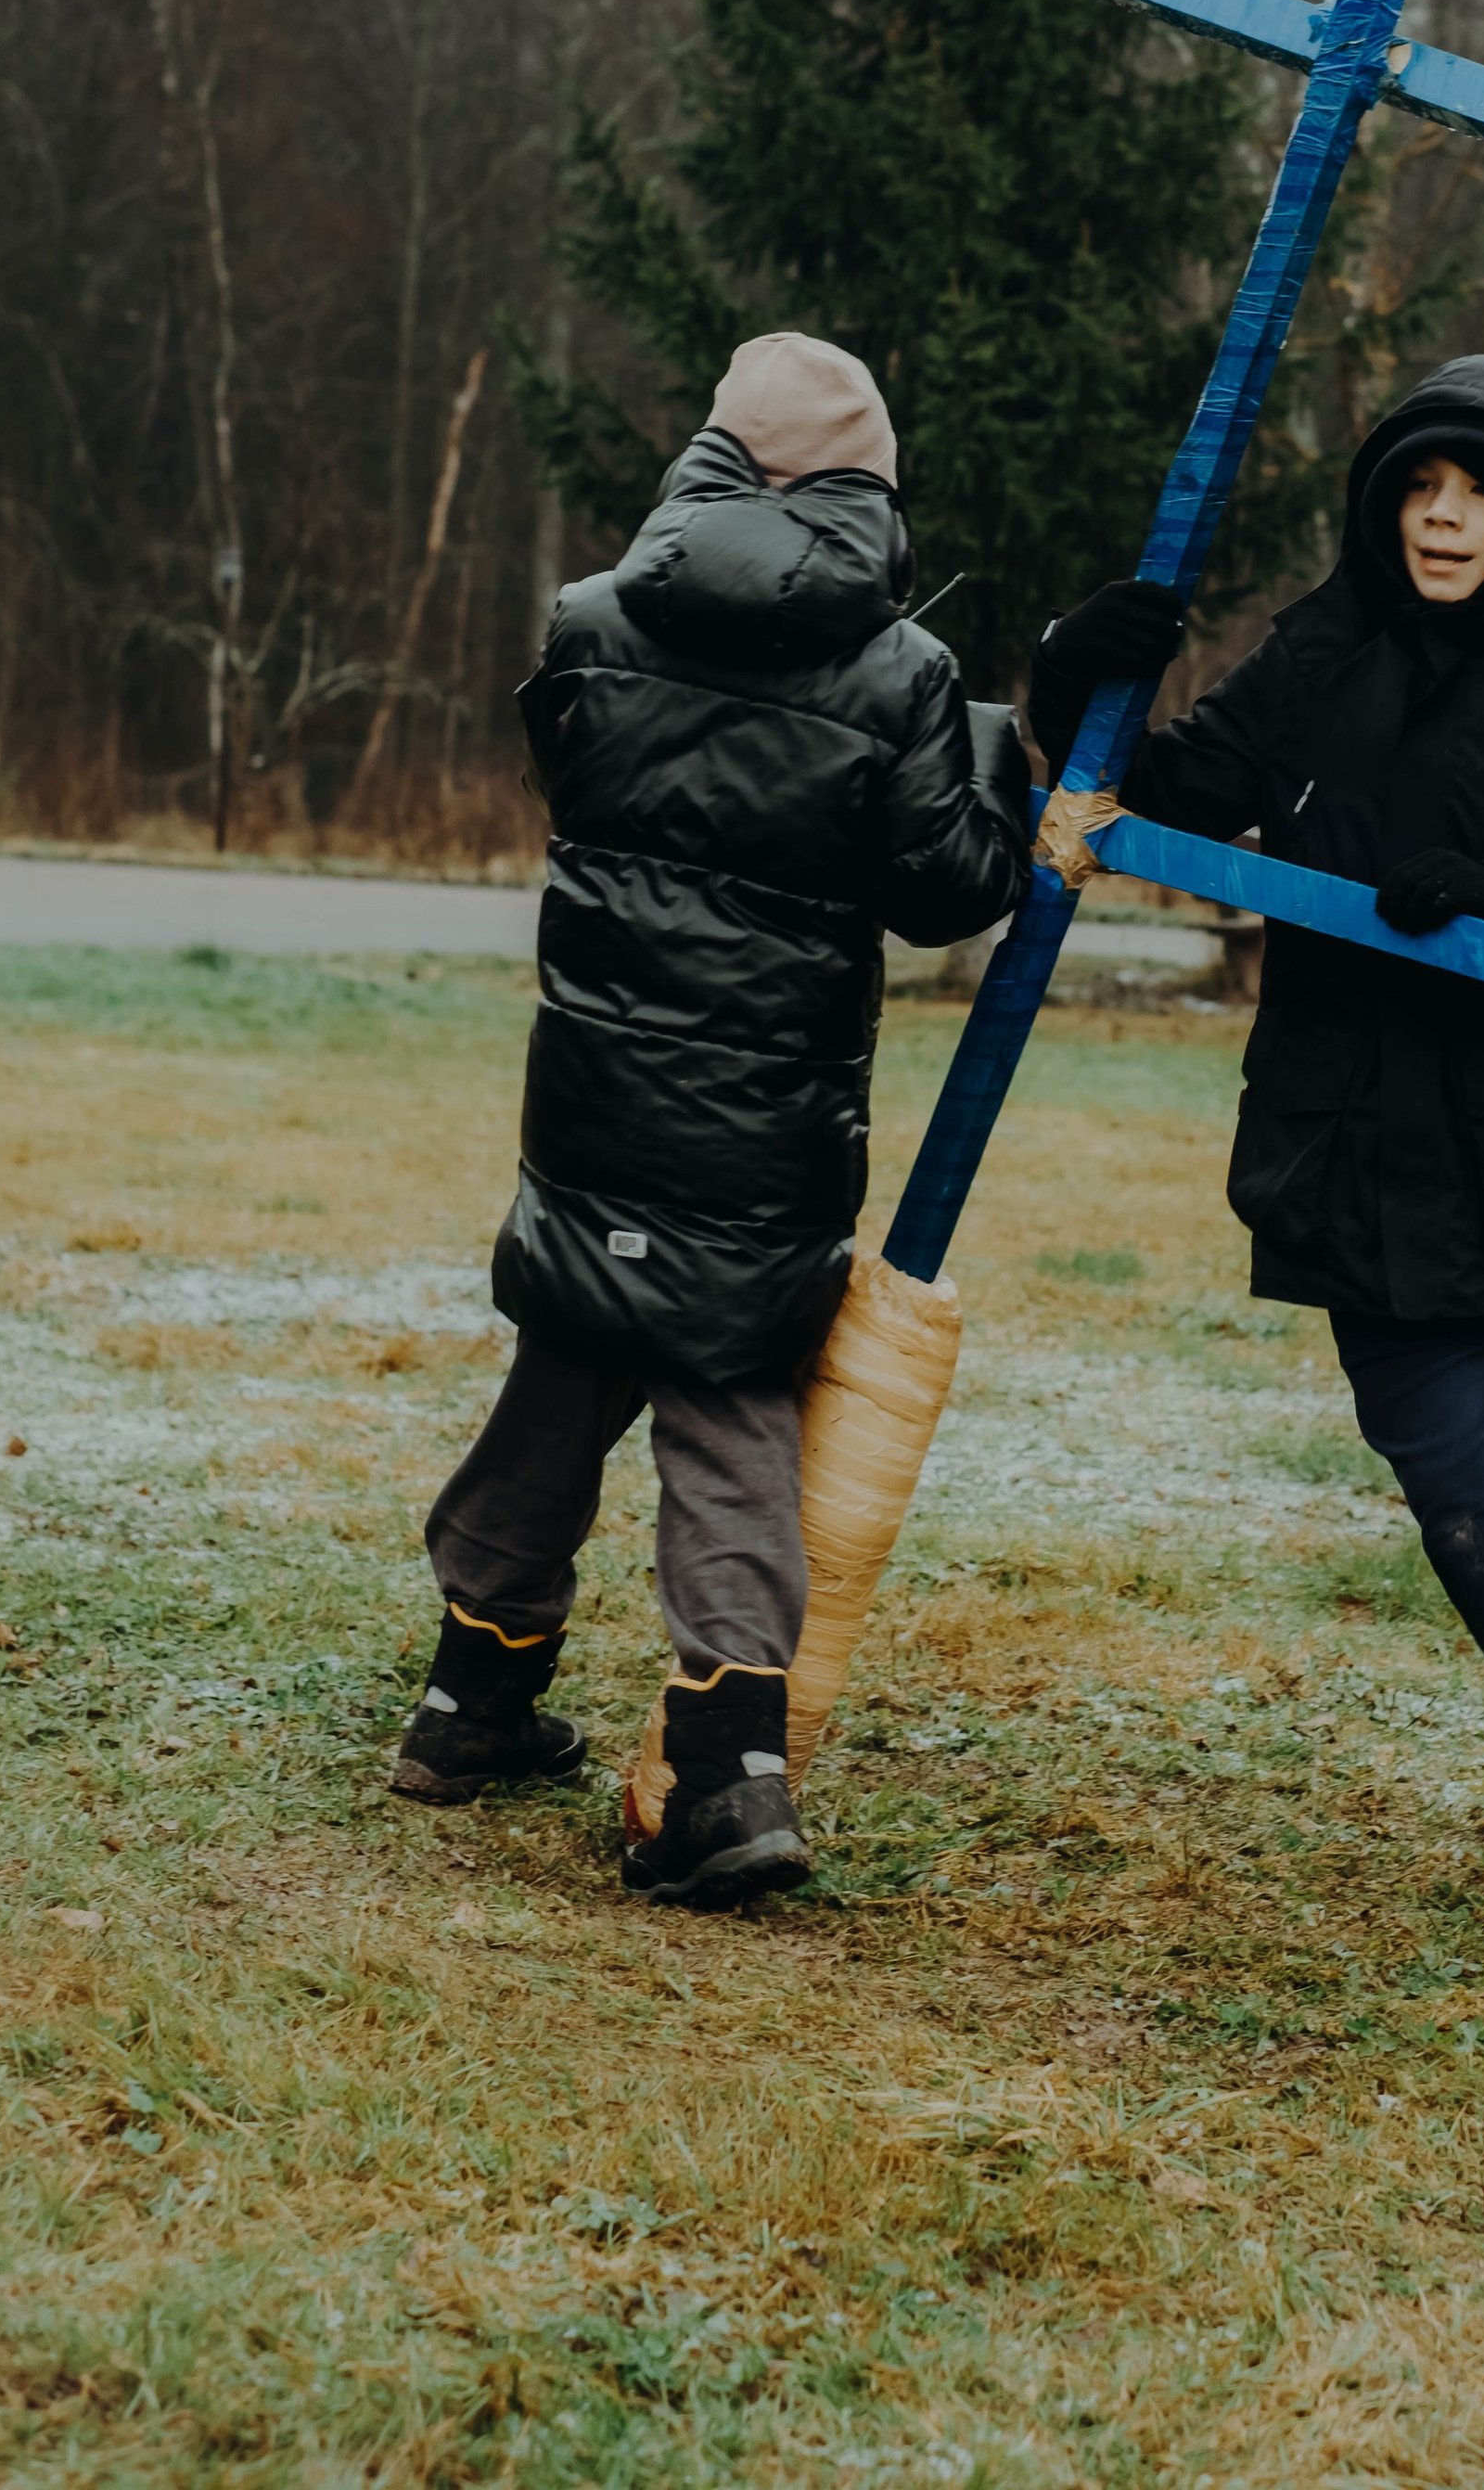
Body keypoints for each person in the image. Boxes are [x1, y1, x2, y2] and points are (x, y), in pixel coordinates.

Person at [1028, 355, 1484, 1961]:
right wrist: (1062, 689)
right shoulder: (1313, 659)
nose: (1445, 515)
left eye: (1482, 490)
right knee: (1478, 1507)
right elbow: (1173, 794)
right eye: (1421, 486)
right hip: (1358, 1168)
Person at [391, 333, 1031, 1906]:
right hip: (763, 1125)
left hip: (596, 1093)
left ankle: (468, 1700)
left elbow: (578, 770)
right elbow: (955, 886)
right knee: (732, 1406)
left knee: (569, 1368)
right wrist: (1004, 744)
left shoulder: (592, 623)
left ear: (716, 462)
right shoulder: (901, 675)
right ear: (863, 495)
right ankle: (733, 1779)